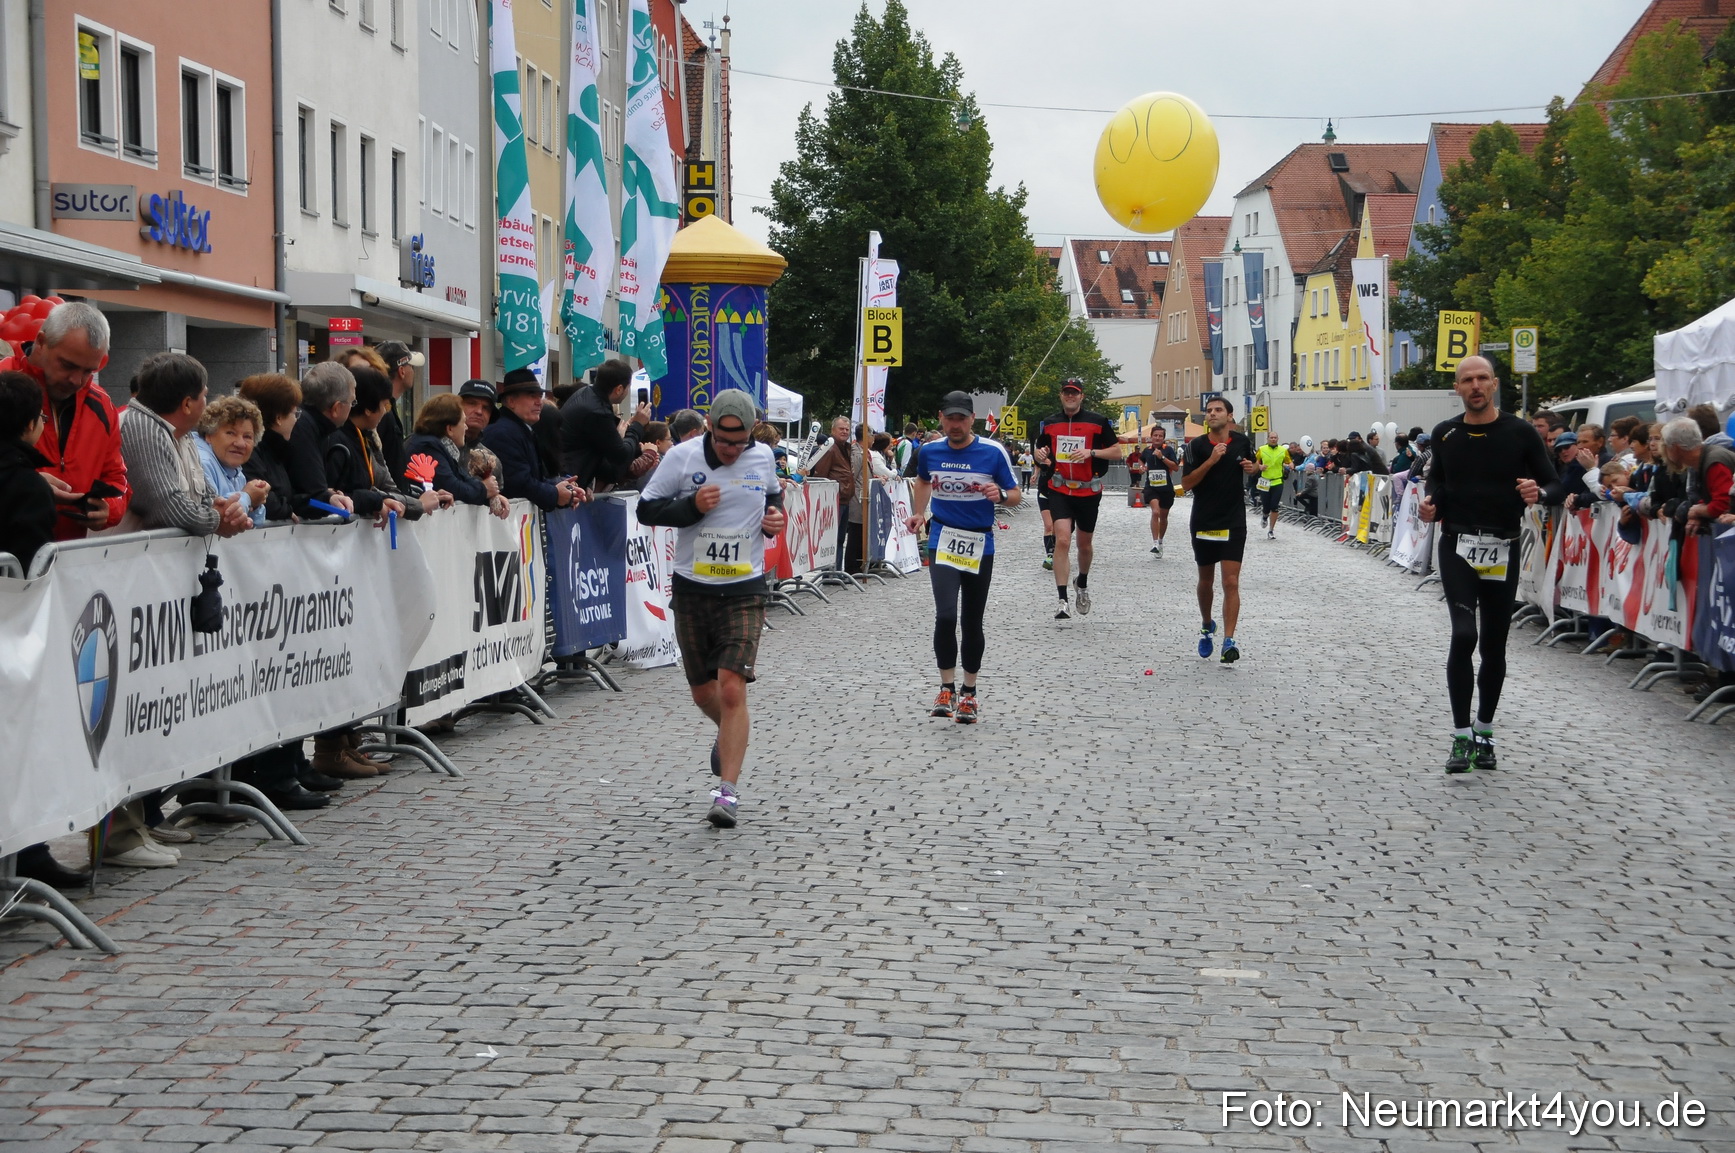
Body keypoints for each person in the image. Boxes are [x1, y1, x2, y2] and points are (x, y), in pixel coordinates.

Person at [635, 391, 785, 828]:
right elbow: (646, 509)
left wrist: (774, 517)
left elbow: (775, 499)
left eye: (740, 443)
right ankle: (730, 734)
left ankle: (727, 793)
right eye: (723, 441)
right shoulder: (681, 457)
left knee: (733, 688)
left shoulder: (762, 457)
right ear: (711, 427)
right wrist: (691, 507)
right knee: (704, 692)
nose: (732, 450)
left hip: (745, 589)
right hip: (693, 588)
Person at [1419, 356, 1556, 773]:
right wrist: (1430, 505)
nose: (1475, 385)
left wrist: (1539, 492)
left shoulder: (1520, 432)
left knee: (1494, 644)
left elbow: (1551, 481)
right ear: (1458, 388)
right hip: (1458, 543)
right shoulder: (1446, 434)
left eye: (1482, 379)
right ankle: (1461, 737)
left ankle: (1484, 732)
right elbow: (1437, 484)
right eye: (1467, 380)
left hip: (1503, 545)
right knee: (1464, 635)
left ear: (1494, 385)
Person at [0, 370, 92, 888]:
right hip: (16, 636)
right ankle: (26, 855)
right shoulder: (24, 485)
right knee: (21, 740)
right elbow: (31, 565)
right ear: (35, 425)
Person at [906, 391, 1021, 724]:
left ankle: (969, 693)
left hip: (978, 542)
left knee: (971, 621)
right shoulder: (929, 451)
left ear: (973, 419)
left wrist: (999, 494)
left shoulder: (992, 452)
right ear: (940, 418)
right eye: (950, 418)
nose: (955, 425)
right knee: (945, 616)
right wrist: (918, 513)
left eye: (962, 419)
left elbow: (1015, 494)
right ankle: (946, 688)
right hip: (943, 537)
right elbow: (923, 481)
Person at [0, 301, 130, 539]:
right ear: (41, 342)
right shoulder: (3, 383)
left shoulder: (101, 405)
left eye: (89, 371)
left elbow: (117, 478)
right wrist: (21, 483)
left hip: (66, 565)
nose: (76, 380)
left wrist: (109, 508)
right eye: (68, 365)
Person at [113, 352, 249, 538]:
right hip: (120, 562)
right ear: (187, 405)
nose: (206, 403)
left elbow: (206, 495)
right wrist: (217, 520)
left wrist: (227, 512)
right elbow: (166, 507)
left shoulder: (184, 435)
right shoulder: (141, 427)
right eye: (204, 395)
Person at [1032, 380, 1121, 619]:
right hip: (1059, 488)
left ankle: (1081, 582)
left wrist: (1091, 452)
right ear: (1061, 395)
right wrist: (1039, 455)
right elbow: (1040, 451)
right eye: (1066, 393)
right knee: (1061, 539)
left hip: (1088, 490)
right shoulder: (1050, 423)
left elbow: (1117, 451)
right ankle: (1062, 600)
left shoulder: (1098, 422)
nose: (1070, 397)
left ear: (1081, 397)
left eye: (1075, 394)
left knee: (1084, 544)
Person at [1181, 396, 1259, 663]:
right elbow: (1187, 483)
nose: (1212, 414)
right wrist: (1211, 461)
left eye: (1218, 410)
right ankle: (1206, 625)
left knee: (1231, 581)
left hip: (1233, 519)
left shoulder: (1242, 442)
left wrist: (1253, 468)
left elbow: (1253, 466)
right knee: (1206, 581)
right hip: (1204, 519)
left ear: (1229, 416)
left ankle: (1229, 641)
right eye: (1209, 411)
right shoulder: (1196, 446)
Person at [324, 366, 443, 519]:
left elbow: (382, 487)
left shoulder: (364, 437)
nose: (386, 412)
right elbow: (348, 492)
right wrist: (415, 504)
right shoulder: (338, 440)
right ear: (368, 409)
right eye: (384, 405)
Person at [483, 369, 588, 511]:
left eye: (540, 396)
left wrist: (562, 489)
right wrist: (555, 494)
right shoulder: (504, 433)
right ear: (511, 401)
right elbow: (518, 484)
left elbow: (532, 480)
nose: (539, 402)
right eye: (532, 396)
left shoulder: (519, 430)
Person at [559, 358, 650, 491]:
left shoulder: (586, 394)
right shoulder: (597, 411)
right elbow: (620, 455)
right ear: (619, 389)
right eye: (628, 387)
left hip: (571, 478)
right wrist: (637, 426)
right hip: (569, 482)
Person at [288, 363, 358, 519]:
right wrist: (328, 498)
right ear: (336, 408)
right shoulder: (304, 428)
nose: (352, 408)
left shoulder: (312, 426)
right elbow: (313, 496)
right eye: (352, 402)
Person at [404, 393, 496, 509]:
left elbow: (462, 477)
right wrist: (484, 490)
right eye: (463, 422)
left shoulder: (438, 446)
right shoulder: (427, 447)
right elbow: (452, 487)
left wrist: (489, 495)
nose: (466, 427)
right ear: (450, 429)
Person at [195, 395, 270, 527]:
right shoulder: (201, 463)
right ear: (208, 434)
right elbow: (218, 516)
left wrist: (256, 502)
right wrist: (248, 496)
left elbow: (255, 524)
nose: (240, 443)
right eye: (230, 433)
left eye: (247, 436)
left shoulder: (235, 471)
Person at [806, 416, 858, 564]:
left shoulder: (845, 448)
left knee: (840, 538)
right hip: (833, 499)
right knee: (832, 538)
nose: (845, 432)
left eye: (847, 429)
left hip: (844, 498)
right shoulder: (829, 448)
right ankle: (830, 572)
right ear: (833, 430)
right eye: (841, 429)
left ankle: (835, 570)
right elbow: (821, 474)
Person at [1138, 425, 1180, 556]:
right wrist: (1141, 467)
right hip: (1151, 487)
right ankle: (1155, 543)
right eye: (1155, 435)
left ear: (1164, 438)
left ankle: (1161, 541)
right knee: (1155, 512)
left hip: (1166, 488)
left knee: (1164, 516)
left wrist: (1162, 457)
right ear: (1151, 437)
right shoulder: (1147, 451)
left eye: (1160, 436)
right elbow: (1141, 460)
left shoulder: (1168, 450)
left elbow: (1176, 467)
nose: (1157, 438)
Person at [1254, 430, 1289, 540]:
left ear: (1278, 439)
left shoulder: (1283, 450)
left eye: (1275, 437)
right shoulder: (1261, 449)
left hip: (1278, 481)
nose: (1273, 439)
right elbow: (1254, 462)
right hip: (1265, 481)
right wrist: (1259, 467)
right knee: (1266, 505)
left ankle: (1271, 530)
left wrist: (1290, 465)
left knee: (1274, 506)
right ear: (1268, 439)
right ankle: (1265, 515)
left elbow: (1289, 461)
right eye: (1271, 437)